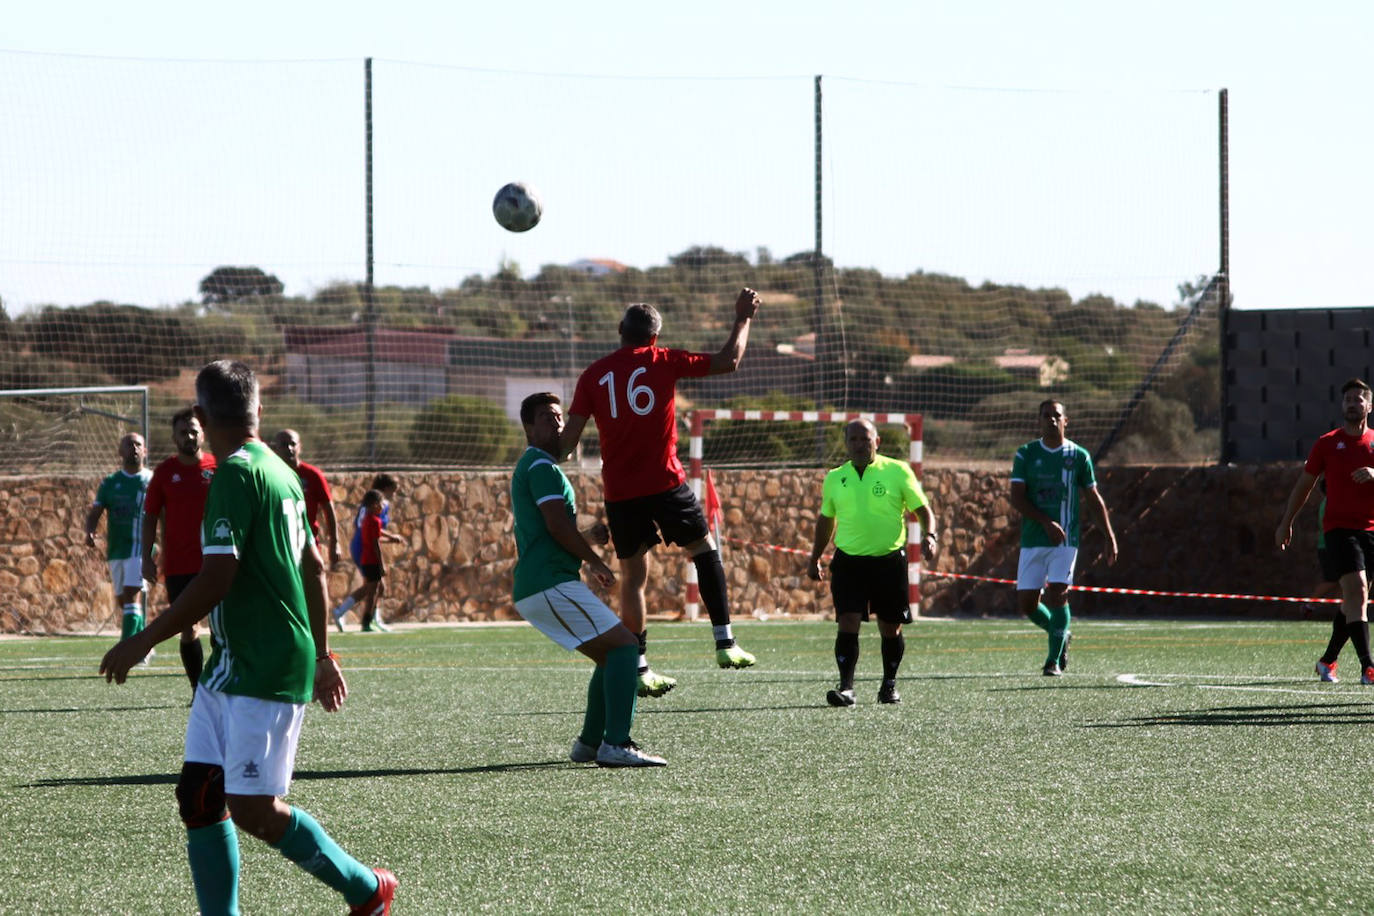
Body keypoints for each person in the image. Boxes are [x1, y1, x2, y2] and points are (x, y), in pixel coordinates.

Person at [99, 359, 396, 916]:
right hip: (232, 663)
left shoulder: (233, 473)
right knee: (200, 798)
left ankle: (366, 888)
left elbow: (217, 579)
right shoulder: (283, 470)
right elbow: (314, 566)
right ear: (258, 409)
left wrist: (143, 639)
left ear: (201, 415)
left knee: (254, 807)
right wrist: (326, 654)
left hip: (266, 661)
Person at [559, 288, 762, 697]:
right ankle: (724, 643)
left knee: (634, 578)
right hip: (665, 483)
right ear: (655, 336)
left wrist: (534, 451)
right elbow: (729, 362)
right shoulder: (665, 360)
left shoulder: (593, 375)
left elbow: (566, 445)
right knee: (704, 551)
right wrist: (743, 317)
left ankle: (639, 668)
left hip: (621, 491)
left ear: (620, 331)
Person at [512, 392, 665, 766]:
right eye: (547, 418)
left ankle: (590, 744)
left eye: (560, 416)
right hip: (548, 584)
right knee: (627, 646)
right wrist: (594, 559)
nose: (558, 423)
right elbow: (555, 523)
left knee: (611, 656)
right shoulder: (541, 467)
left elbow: (554, 526)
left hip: (545, 584)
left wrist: (586, 537)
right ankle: (616, 744)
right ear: (529, 428)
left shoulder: (538, 467)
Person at [807, 419, 937, 706]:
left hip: (888, 561)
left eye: (865, 439)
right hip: (848, 563)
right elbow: (826, 520)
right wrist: (815, 556)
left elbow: (923, 509)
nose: (859, 444)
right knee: (847, 621)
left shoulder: (897, 471)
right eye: (852, 439)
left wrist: (930, 535)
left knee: (891, 627)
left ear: (877, 442)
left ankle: (888, 686)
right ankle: (847, 689)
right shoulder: (835, 477)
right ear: (846, 443)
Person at [1008, 399, 1118, 676]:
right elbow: (1016, 499)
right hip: (1034, 538)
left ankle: (1052, 661)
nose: (1051, 420)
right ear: (1039, 420)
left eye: (1056, 415)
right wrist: (1045, 521)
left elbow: (1093, 498)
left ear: (1065, 421)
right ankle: (1061, 634)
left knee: (1058, 593)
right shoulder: (1026, 454)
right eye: (1046, 416)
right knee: (1027, 604)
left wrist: (1109, 535)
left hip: (1065, 541)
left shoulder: (1078, 456)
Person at [1277, 377, 1374, 685]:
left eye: (1359, 398)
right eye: (1348, 398)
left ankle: (1327, 661)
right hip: (1338, 529)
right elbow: (1304, 485)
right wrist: (1286, 521)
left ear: (1369, 406)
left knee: (1353, 602)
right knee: (1357, 591)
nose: (1352, 403)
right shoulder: (1327, 443)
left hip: (1370, 531)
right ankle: (1368, 667)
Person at [142, 407, 216, 697]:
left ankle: (226, 685)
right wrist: (146, 556)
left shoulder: (217, 467)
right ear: (174, 437)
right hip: (179, 565)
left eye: (194, 431)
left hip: (217, 560)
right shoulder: (164, 473)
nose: (189, 436)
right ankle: (198, 689)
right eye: (183, 432)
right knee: (189, 627)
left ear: (203, 434)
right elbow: (149, 516)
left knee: (227, 629)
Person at [85, 432, 153, 648]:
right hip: (116, 549)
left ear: (145, 451)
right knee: (124, 601)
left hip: (139, 548)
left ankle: (128, 648)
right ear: (120, 451)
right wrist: (89, 531)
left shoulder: (151, 481)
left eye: (138, 444)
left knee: (132, 597)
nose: (133, 448)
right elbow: (96, 511)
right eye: (129, 444)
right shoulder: (110, 482)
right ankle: (143, 645)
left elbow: (164, 512)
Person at [332, 473, 401, 632]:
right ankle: (348, 614)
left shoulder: (377, 504)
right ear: (386, 489)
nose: (394, 494)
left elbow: (374, 532)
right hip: (363, 546)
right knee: (373, 585)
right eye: (393, 490)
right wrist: (385, 539)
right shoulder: (373, 506)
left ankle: (372, 619)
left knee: (377, 586)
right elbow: (365, 530)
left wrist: (388, 539)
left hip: (366, 544)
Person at [270, 429, 341, 567]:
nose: (289, 448)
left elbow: (328, 508)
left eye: (293, 444)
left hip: (307, 544)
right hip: (279, 545)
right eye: (284, 445)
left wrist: (335, 543)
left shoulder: (313, 475)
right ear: (275, 448)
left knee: (313, 583)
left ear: (300, 447)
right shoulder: (270, 474)